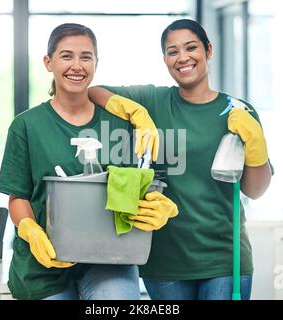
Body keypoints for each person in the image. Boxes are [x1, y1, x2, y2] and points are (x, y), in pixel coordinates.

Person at [88, 18, 272, 300]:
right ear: (165, 60)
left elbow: (255, 191)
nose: (182, 57)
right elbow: (93, 91)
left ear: (208, 50)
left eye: (191, 47)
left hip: (224, 258)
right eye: (172, 51)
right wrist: (136, 113)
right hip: (165, 263)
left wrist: (256, 144)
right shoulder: (153, 100)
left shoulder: (238, 111)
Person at [0, 23, 177, 300]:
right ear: (48, 62)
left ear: (96, 62)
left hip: (108, 259)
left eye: (86, 57)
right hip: (44, 265)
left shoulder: (120, 126)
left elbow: (138, 185)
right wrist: (30, 231)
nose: (77, 66)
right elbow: (18, 196)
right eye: (66, 56)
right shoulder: (26, 126)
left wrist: (158, 204)